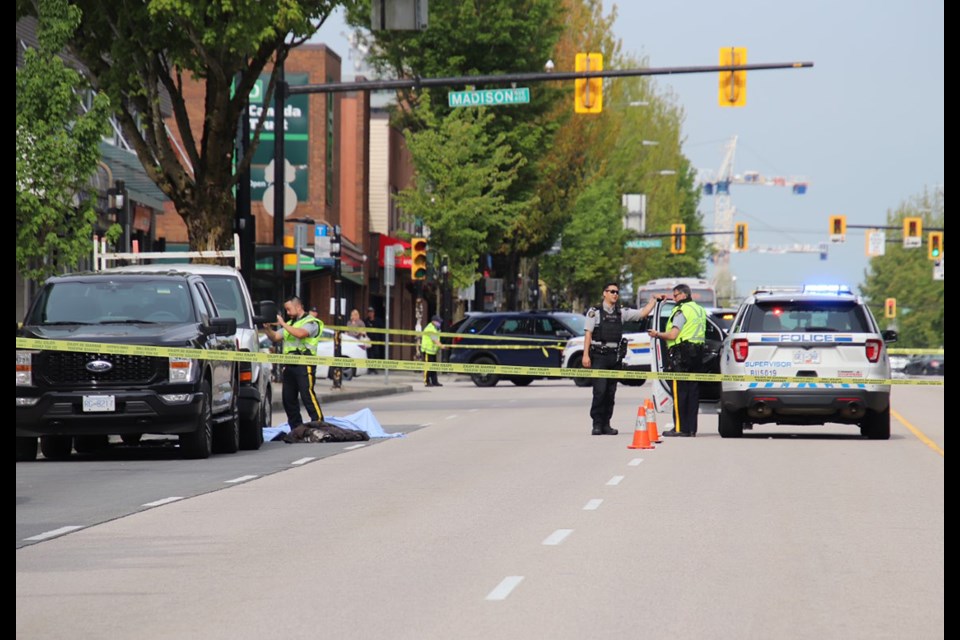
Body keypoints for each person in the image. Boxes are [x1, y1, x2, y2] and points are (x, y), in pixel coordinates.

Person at [582, 282, 659, 435]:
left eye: (617, 292)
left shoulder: (621, 312)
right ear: (604, 293)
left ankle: (606, 424)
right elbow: (588, 334)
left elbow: (642, 313)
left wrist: (654, 300)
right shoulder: (594, 312)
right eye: (611, 291)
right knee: (600, 391)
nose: (615, 294)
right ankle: (597, 424)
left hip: (614, 357)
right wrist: (585, 355)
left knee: (610, 392)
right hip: (599, 355)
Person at [648, 283, 707, 437]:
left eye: (675, 296)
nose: (674, 299)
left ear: (683, 295)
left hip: (683, 354)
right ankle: (692, 429)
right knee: (693, 393)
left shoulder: (682, 311)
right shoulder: (699, 310)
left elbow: (673, 335)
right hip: (697, 354)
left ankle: (680, 428)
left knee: (680, 392)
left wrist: (657, 334)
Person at [261, 295, 324, 428]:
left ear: (299, 306)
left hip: (304, 363)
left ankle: (319, 423)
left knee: (307, 395)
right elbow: (276, 337)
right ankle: (296, 428)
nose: (288, 313)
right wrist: (267, 328)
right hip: (289, 365)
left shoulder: (311, 322)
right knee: (288, 399)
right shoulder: (291, 324)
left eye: (289, 309)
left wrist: (283, 323)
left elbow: (301, 334)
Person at [421, 314, 443, 387]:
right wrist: (441, 346)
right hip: (427, 350)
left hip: (432, 351)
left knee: (433, 367)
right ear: (433, 321)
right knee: (427, 367)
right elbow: (434, 339)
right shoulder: (430, 328)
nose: (439, 323)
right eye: (438, 322)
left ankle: (434, 381)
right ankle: (426, 382)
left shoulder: (436, 328)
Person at [364, 306, 385, 371]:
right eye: (369, 312)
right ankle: (370, 368)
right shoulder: (366, 321)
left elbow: (382, 331)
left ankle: (375, 368)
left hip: (377, 340)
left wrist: (383, 340)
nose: (370, 313)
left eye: (371, 312)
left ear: (374, 313)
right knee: (369, 354)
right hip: (369, 340)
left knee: (376, 354)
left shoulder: (378, 321)